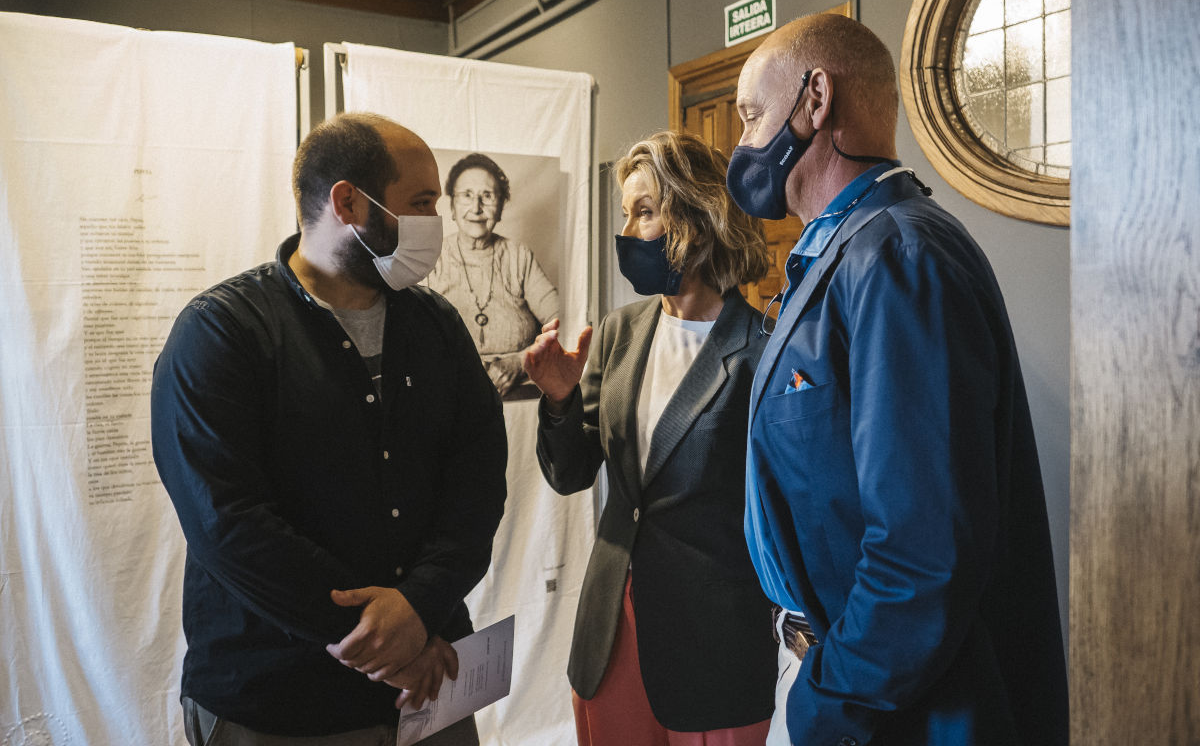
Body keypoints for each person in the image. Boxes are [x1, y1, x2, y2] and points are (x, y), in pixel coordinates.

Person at [727, 13, 1068, 746]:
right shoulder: (842, 253)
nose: (743, 146)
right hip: (833, 670)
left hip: (882, 702)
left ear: (814, 101)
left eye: (752, 116)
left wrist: (827, 703)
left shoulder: (899, 256)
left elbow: (923, 549)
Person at [151, 112, 507, 745]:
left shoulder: (437, 326)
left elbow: (477, 483)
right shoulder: (220, 333)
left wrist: (420, 606)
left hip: (430, 689)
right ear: (348, 202)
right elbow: (228, 523)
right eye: (422, 203)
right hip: (280, 702)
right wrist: (387, 639)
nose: (437, 222)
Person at [524, 130, 778, 746]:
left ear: (696, 216)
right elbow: (571, 473)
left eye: (644, 211)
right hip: (613, 629)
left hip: (715, 640)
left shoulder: (764, 350)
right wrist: (559, 399)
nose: (629, 231)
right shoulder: (617, 333)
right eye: (626, 214)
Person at [427, 152, 559, 400]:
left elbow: (562, 322)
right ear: (453, 206)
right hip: (447, 397)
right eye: (466, 195)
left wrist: (521, 362)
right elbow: (410, 337)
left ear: (500, 207)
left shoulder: (518, 257)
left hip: (521, 396)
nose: (476, 208)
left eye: (487, 196)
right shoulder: (432, 258)